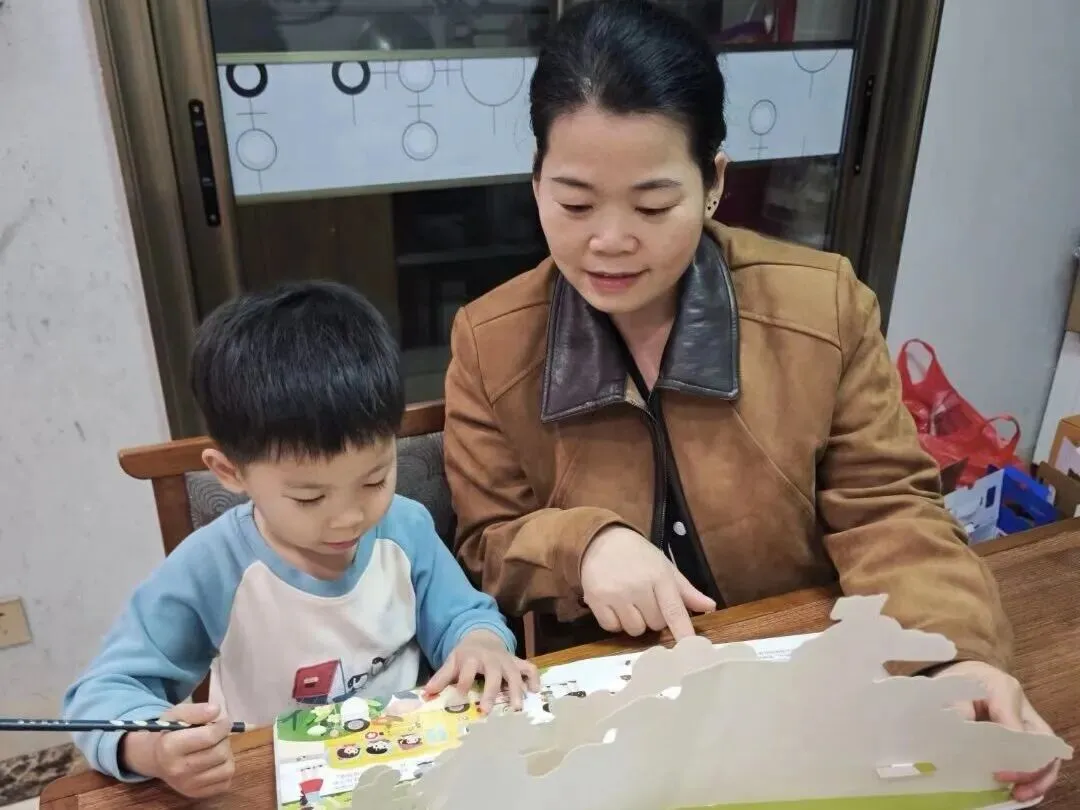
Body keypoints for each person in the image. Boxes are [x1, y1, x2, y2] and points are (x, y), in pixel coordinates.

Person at [442, 0, 1058, 801]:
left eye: (653, 204)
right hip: (617, 715)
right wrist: (582, 546)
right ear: (535, 182)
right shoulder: (489, 342)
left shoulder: (823, 308)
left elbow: (890, 513)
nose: (610, 240)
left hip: (809, 681)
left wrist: (956, 657)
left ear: (714, 184)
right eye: (576, 202)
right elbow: (487, 544)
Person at [64, 281, 537, 798]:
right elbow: (102, 694)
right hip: (270, 784)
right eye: (309, 498)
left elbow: (464, 616)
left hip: (410, 769)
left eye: (375, 480)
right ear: (230, 473)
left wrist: (480, 643)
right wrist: (153, 748)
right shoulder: (212, 565)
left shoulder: (406, 527)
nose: (349, 519)